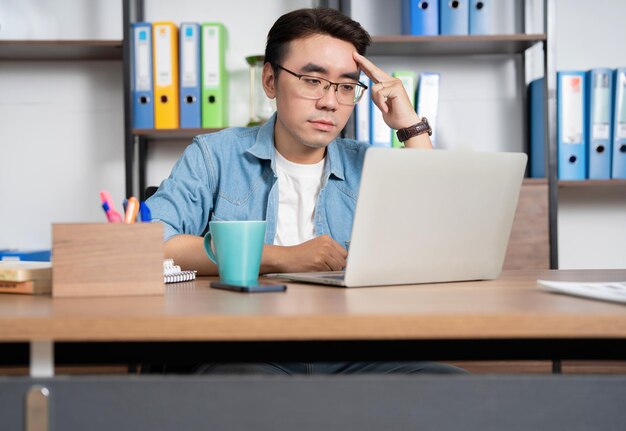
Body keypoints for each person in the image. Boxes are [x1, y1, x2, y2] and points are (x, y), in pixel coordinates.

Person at [147, 7, 464, 375]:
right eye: (312, 80)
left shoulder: (372, 166)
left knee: (454, 388)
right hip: (247, 349)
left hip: (358, 350)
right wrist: (282, 257)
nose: (330, 101)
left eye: (347, 86)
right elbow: (153, 246)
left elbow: (440, 244)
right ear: (270, 81)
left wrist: (410, 125)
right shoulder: (215, 156)